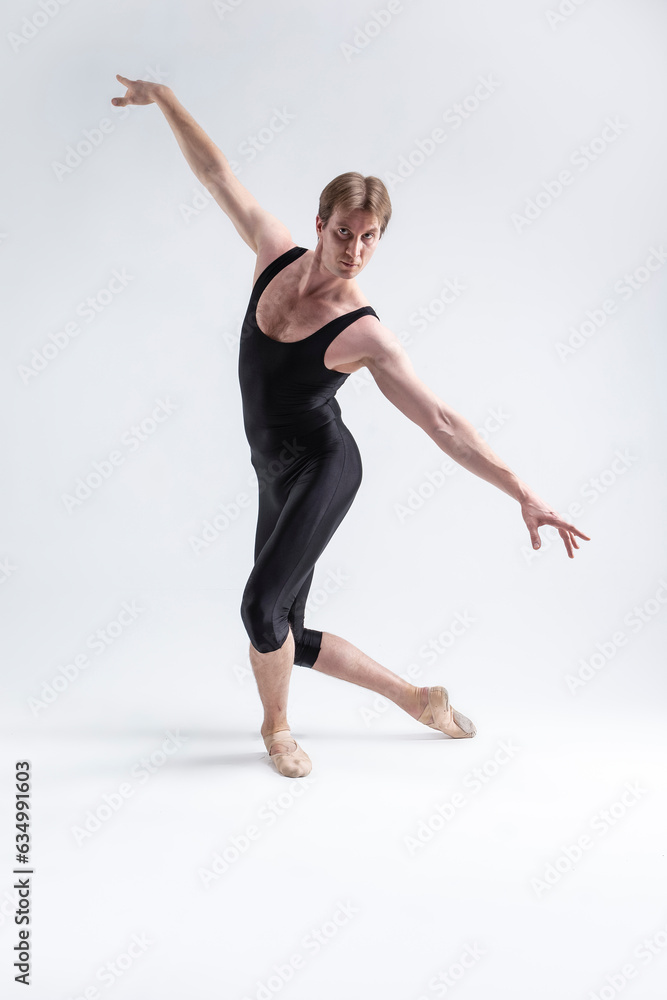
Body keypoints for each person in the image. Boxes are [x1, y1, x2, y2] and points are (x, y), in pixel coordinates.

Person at [112, 75, 591, 778]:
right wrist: (164, 98)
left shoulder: (364, 333)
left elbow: (441, 421)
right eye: (344, 233)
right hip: (270, 469)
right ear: (318, 225)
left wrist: (521, 489)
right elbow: (217, 173)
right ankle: (418, 699)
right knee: (283, 629)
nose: (355, 250)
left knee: (257, 608)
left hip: (324, 466)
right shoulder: (271, 250)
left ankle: (276, 732)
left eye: (370, 239)